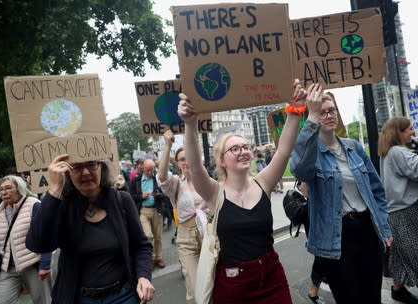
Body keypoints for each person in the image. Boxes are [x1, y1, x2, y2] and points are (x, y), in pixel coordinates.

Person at [178, 79, 307, 303]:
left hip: (271, 277)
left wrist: (295, 110)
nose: (243, 152)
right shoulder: (213, 193)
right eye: (234, 149)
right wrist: (190, 124)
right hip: (233, 286)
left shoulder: (263, 182)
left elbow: (284, 151)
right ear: (221, 161)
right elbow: (195, 166)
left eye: (246, 147)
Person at [290, 84, 392, 304]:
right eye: (322, 111)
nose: (328, 115)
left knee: (372, 297)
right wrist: (312, 116)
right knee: (349, 298)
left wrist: (383, 225)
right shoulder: (313, 153)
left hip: (367, 231)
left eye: (332, 110)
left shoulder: (354, 147)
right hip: (337, 237)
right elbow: (298, 168)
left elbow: (377, 190)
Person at [25, 155, 155, 303]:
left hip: (124, 296)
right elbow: (38, 244)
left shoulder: (122, 200)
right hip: (80, 298)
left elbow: (141, 246)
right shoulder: (62, 206)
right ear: (67, 172)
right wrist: (54, 191)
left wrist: (143, 276)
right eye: (77, 167)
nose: (86, 172)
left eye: (92, 165)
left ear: (101, 168)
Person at [378, 117, 418, 304]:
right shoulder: (398, 152)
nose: (413, 132)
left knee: (402, 253)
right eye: (409, 129)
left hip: (405, 209)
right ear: (398, 132)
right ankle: (399, 291)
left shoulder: (389, 152)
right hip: (406, 210)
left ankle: (398, 290)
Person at [157, 129, 208, 304]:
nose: (186, 162)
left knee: (212, 285)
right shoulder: (176, 184)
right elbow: (162, 177)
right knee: (196, 287)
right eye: (181, 159)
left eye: (189, 157)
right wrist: (168, 145)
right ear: (177, 163)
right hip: (187, 240)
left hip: (210, 237)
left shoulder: (207, 179)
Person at [0, 175, 52, 304]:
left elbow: (46, 234)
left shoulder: (34, 205)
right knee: (2, 301)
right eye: (0, 189)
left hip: (33, 265)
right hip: (9, 267)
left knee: (42, 301)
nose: (3, 192)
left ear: (19, 188)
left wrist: (45, 263)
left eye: (8, 188)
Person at [130, 158, 166, 269]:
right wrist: (141, 196)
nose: (150, 173)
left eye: (152, 170)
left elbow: (166, 194)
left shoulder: (157, 179)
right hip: (143, 211)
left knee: (158, 237)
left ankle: (158, 258)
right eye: (147, 170)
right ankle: (149, 259)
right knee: (148, 235)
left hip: (156, 210)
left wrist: (158, 195)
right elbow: (131, 196)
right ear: (143, 169)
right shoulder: (136, 181)